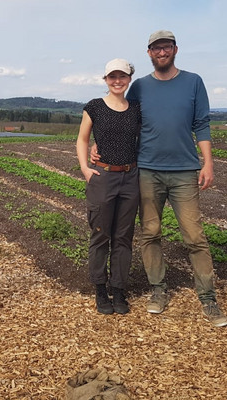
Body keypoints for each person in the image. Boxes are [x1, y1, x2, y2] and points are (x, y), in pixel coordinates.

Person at [92, 30, 227, 327]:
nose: (162, 52)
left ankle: (208, 298)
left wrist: (208, 163)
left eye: (166, 47)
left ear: (175, 49)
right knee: (150, 233)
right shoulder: (139, 86)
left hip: (184, 171)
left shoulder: (193, 82)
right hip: (148, 171)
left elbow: (202, 124)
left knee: (194, 236)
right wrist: (97, 142)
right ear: (149, 53)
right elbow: (123, 118)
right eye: (156, 48)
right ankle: (158, 290)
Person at [76, 58, 141, 315]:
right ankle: (100, 289)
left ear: (129, 79)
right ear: (105, 79)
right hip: (103, 176)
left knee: (123, 237)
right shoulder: (94, 107)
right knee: (101, 234)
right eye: (112, 76)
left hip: (130, 177)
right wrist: (85, 168)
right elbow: (82, 139)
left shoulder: (136, 108)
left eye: (122, 76)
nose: (117, 81)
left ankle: (119, 289)